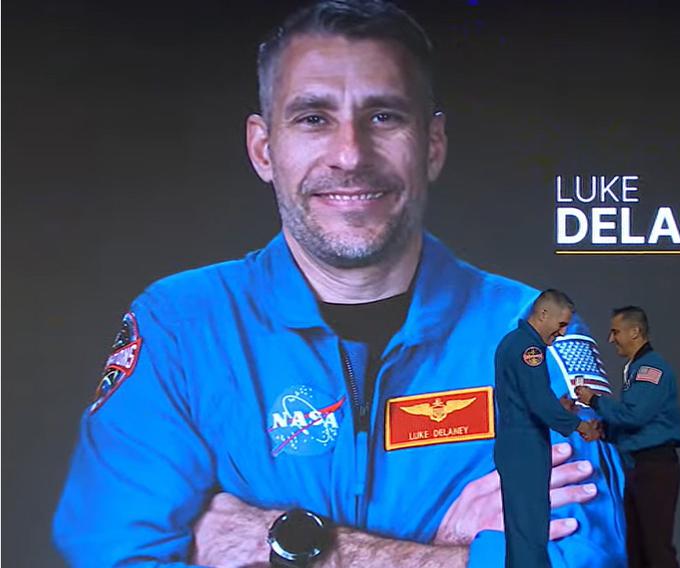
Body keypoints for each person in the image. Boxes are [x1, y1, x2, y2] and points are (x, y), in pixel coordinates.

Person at [52, 2, 627, 567]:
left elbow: (580, 558)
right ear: (263, 149)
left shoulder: (536, 334)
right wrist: (450, 548)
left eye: (384, 116)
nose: (350, 154)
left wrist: (288, 544)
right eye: (313, 118)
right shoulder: (180, 327)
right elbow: (112, 553)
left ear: (432, 144)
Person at [494, 289, 600, 568]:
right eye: (561, 324)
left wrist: (559, 407)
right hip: (524, 447)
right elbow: (538, 400)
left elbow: (525, 397)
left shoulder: (512, 342)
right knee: (531, 527)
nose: (563, 333)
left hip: (516, 444)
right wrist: (578, 425)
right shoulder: (530, 349)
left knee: (524, 528)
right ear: (543, 315)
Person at [574, 306, 680, 568]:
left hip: (653, 467)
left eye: (616, 332)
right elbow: (634, 423)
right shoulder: (637, 368)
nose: (611, 339)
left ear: (635, 332)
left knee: (656, 548)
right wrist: (603, 431)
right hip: (639, 467)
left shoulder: (650, 369)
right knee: (638, 549)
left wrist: (594, 400)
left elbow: (635, 415)